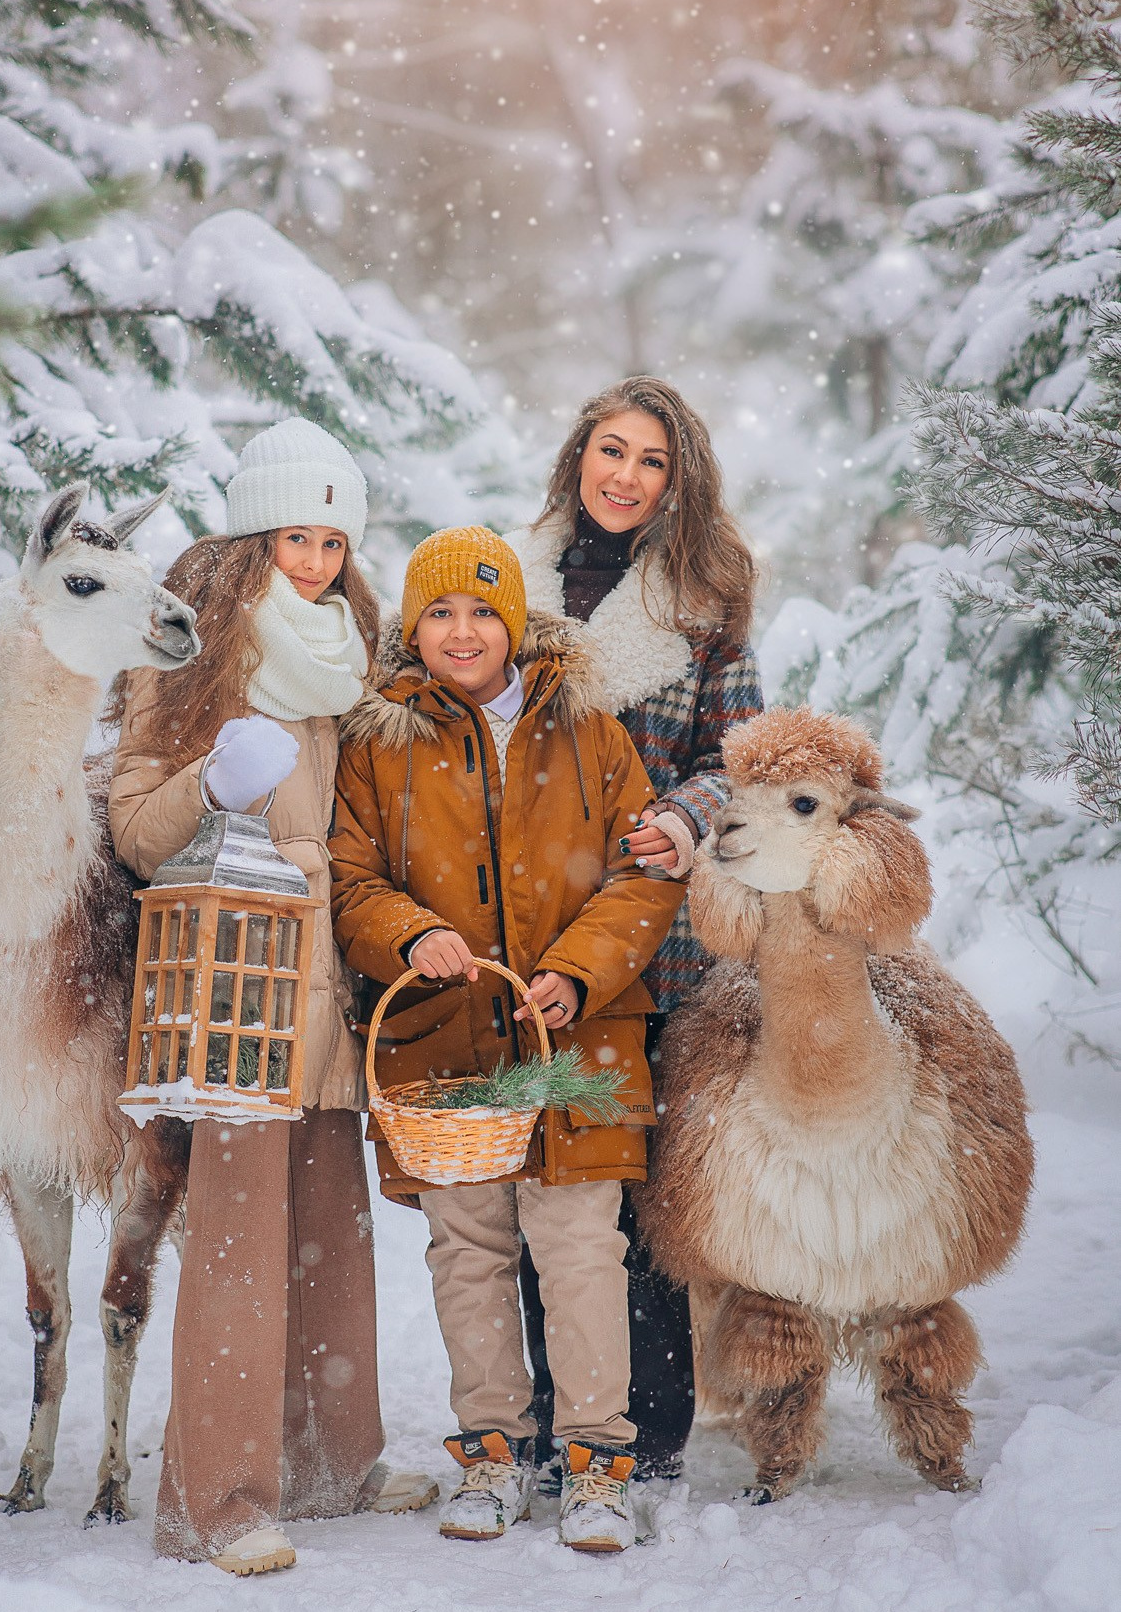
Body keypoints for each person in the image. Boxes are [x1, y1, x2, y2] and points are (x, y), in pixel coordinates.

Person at [107, 418, 437, 1577]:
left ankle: (335, 1462)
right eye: (296, 535)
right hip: (235, 985)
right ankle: (221, 1498)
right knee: (241, 1246)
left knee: (329, 1240)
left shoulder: (355, 658)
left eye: (334, 541)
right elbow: (136, 827)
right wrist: (212, 781)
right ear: (254, 536)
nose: (314, 561)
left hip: (331, 990)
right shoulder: (192, 652)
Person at [328, 526, 686, 1553]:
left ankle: (595, 1463)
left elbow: (644, 873)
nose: (462, 630)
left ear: (518, 622)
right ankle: (491, 1452)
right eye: (439, 611)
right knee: (469, 1252)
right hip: (447, 1047)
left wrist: (576, 970)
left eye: (483, 609)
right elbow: (351, 880)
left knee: (581, 1251)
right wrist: (411, 932)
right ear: (412, 628)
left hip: (578, 1043)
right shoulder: (380, 740)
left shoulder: (589, 732)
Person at [504, 376, 764, 1483]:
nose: (626, 475)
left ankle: (644, 1431)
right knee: (537, 1183)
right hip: (524, 925)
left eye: (651, 460)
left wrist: (685, 816)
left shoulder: (704, 603)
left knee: (634, 1187)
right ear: (578, 458)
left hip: (657, 945)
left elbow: (738, 761)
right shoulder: (505, 585)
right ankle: (555, 1413)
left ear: (678, 480)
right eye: (611, 450)